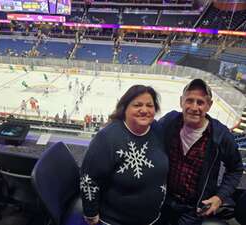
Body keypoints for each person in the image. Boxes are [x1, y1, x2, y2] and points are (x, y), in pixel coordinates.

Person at [157, 79, 243, 225]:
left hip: (193, 210)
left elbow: (235, 169)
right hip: (162, 201)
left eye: (200, 102)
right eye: (189, 100)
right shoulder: (170, 121)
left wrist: (219, 197)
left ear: (209, 105)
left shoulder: (220, 135)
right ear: (181, 102)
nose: (194, 107)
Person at [80, 85, 168, 225]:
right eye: (137, 105)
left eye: (149, 105)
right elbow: (89, 179)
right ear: (125, 108)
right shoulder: (107, 138)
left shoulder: (157, 130)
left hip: (153, 219)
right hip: (115, 221)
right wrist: (91, 213)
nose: (144, 110)